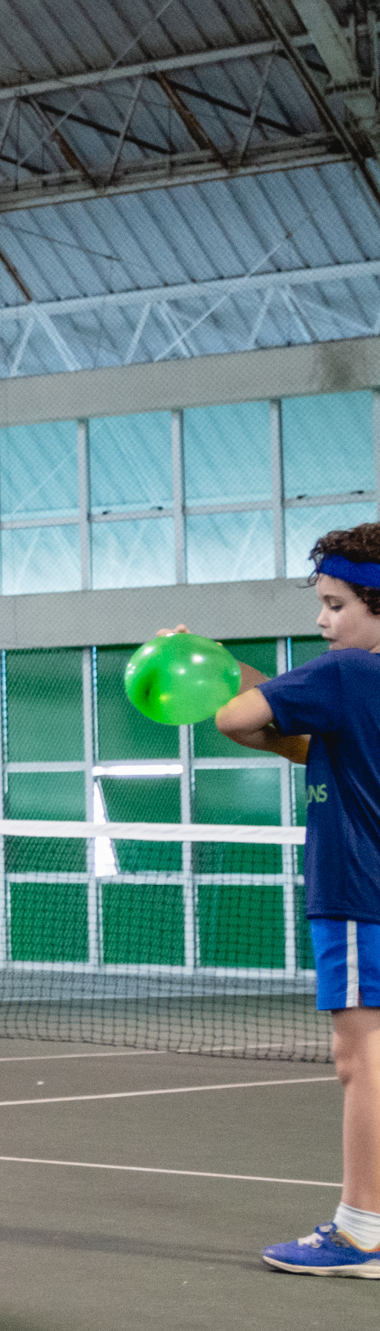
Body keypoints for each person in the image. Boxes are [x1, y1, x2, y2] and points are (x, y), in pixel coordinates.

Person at [206, 522, 380, 1278]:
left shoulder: (345, 675)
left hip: (357, 894)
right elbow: (302, 741)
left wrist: (215, 681)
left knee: (361, 1059)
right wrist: (239, 679)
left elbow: (234, 716)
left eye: (336, 604)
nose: (323, 620)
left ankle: (362, 1229)